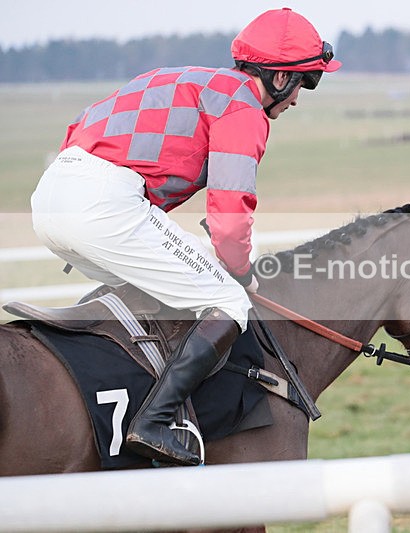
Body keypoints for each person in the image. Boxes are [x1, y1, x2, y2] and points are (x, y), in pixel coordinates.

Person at [30, 8, 341, 466]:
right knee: (229, 302)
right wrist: (241, 272)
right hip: (104, 202)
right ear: (278, 77)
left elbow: (86, 128)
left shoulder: (188, 77)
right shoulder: (244, 107)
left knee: (177, 284)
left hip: (53, 195)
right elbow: (231, 212)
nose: (298, 98)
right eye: (306, 81)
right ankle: (153, 421)